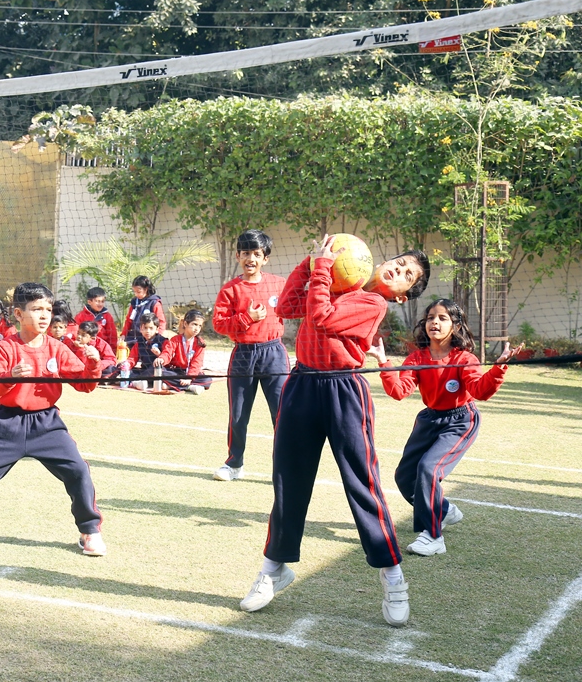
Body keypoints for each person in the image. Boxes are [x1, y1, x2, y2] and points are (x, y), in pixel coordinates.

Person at [238, 235, 430, 629]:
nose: (397, 269)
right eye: (398, 261)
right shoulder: (341, 281)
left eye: (407, 275)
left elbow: (323, 317)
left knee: (363, 485)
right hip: (302, 385)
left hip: (344, 391)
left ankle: (392, 575)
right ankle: (274, 568)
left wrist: (322, 271)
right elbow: (291, 306)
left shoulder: (372, 303)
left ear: (402, 296)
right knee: (288, 482)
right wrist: (309, 264)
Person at [0, 282, 107, 556]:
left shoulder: (57, 348)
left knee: (78, 471)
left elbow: (85, 384)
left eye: (48, 309)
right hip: (6, 424)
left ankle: (89, 531)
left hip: (46, 424)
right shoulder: (5, 347)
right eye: (36, 309)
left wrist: (93, 364)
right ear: (18, 314)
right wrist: (10, 376)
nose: (44, 315)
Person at [367, 299, 522, 557]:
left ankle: (432, 536)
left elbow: (480, 391)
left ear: (456, 325)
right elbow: (398, 391)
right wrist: (384, 362)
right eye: (430, 318)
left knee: (429, 468)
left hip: (460, 420)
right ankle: (445, 510)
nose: (434, 323)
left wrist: (499, 367)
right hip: (429, 420)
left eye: (442, 318)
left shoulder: (464, 359)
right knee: (405, 478)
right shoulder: (417, 358)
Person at [212, 230, 290, 481]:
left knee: (282, 412)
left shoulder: (279, 284)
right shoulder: (230, 290)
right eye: (246, 253)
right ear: (238, 256)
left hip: (274, 354)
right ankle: (234, 464)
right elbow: (219, 324)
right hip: (243, 355)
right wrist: (247, 318)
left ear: (265, 258)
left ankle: (285, 466)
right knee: (238, 414)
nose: (251, 259)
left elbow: (297, 305)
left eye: (257, 254)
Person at [155, 309, 212, 394]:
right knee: (161, 372)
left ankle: (173, 385)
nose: (197, 328)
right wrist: (162, 359)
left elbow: (197, 363)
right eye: (194, 324)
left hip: (192, 373)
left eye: (199, 326)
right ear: (185, 324)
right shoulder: (175, 340)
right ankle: (189, 387)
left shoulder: (201, 343)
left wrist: (189, 377)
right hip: (177, 371)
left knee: (208, 380)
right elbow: (168, 352)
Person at [125, 312, 169, 391]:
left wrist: (159, 355)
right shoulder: (139, 342)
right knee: (125, 370)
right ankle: (138, 382)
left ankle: (136, 382)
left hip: (158, 370)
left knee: (157, 369)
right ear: (141, 328)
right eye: (145, 328)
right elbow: (132, 358)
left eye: (151, 328)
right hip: (144, 370)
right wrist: (127, 364)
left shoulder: (163, 341)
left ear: (157, 329)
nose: (148, 331)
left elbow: (168, 357)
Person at [120, 275, 165, 347]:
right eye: (134, 291)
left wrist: (157, 337)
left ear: (146, 289)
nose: (136, 294)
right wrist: (123, 334)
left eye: (138, 291)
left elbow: (161, 322)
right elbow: (129, 320)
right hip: (133, 338)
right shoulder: (134, 302)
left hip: (148, 339)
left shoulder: (154, 303)